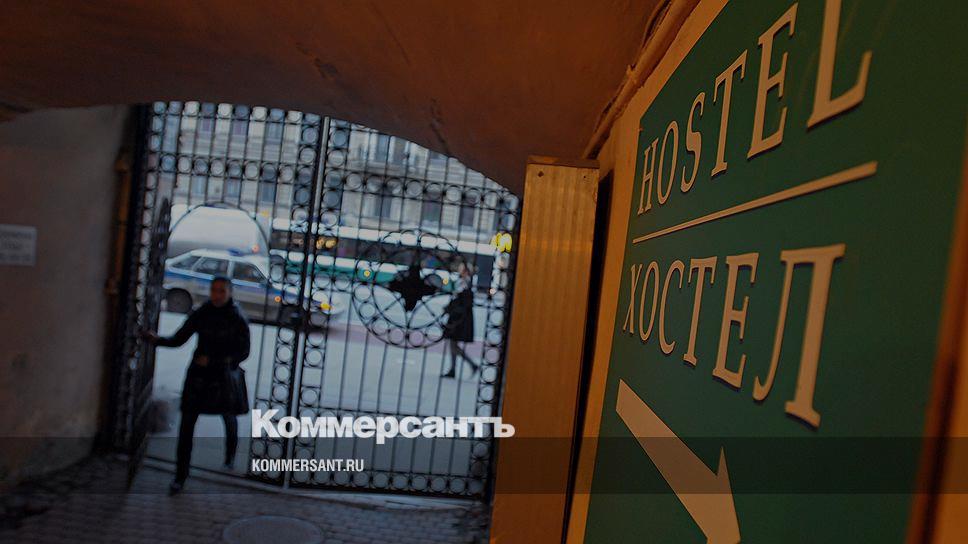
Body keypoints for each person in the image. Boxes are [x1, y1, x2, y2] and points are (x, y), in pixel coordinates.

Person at [142, 276, 250, 495]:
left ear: (229, 292)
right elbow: (180, 338)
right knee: (187, 424)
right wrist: (157, 340)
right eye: (214, 290)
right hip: (199, 377)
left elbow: (244, 351)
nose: (217, 295)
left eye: (221, 291)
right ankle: (180, 476)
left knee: (228, 416)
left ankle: (229, 457)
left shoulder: (237, 317)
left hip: (222, 377)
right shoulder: (203, 312)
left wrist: (217, 361)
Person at [442, 263, 478, 378]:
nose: (460, 271)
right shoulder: (464, 282)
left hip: (460, 317)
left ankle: (470, 365)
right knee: (453, 343)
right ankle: (454, 369)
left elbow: (462, 301)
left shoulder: (465, 283)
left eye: (462, 270)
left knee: (453, 343)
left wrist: (451, 308)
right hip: (458, 316)